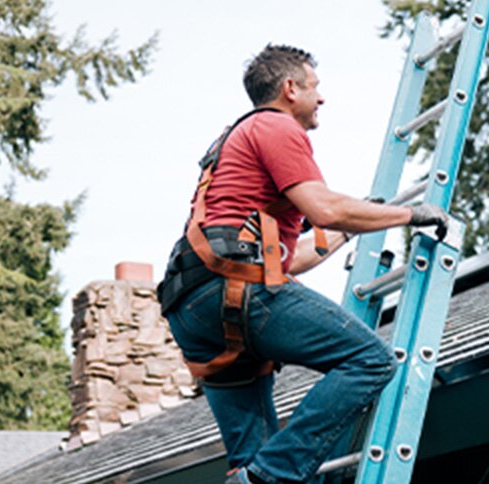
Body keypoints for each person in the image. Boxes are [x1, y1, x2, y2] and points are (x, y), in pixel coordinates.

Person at [158, 44, 449, 484]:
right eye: (316, 87)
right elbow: (323, 209)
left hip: (196, 308)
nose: (322, 98)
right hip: (233, 290)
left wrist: (354, 227)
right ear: (290, 88)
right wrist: (410, 214)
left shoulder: (233, 143)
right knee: (370, 359)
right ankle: (268, 475)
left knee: (252, 461)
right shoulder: (276, 127)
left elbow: (293, 258)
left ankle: (258, 476)